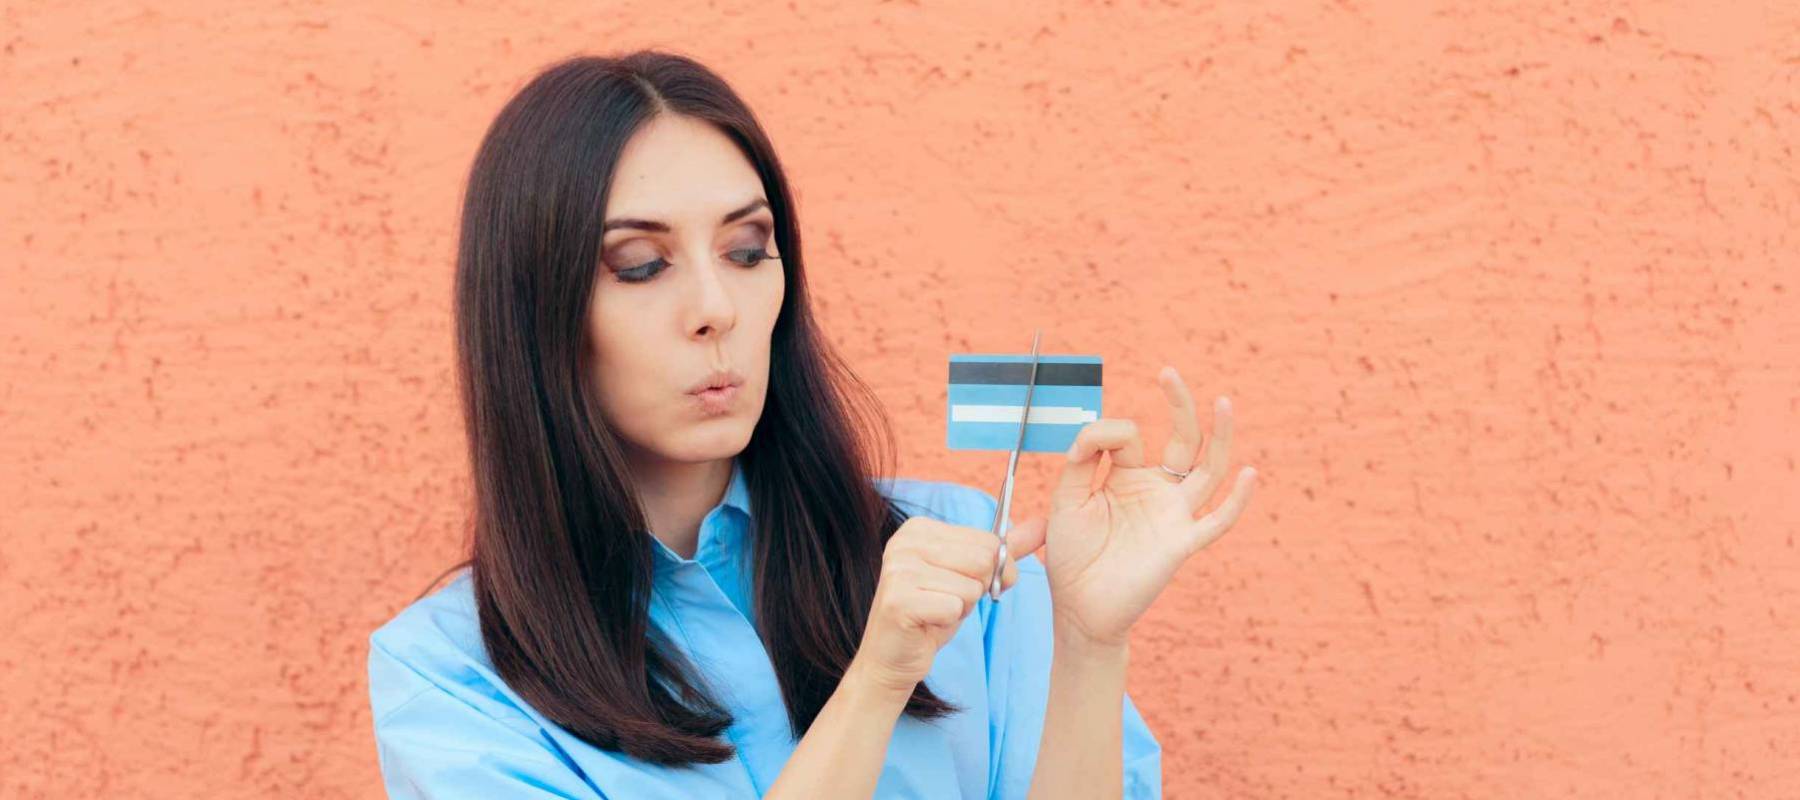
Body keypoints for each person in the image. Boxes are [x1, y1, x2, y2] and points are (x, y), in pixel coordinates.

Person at [366, 49, 1257, 799]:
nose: (717, 307)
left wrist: (1093, 645)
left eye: (748, 251)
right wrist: (874, 684)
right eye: (641, 266)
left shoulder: (968, 551)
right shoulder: (448, 677)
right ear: (534, 310)